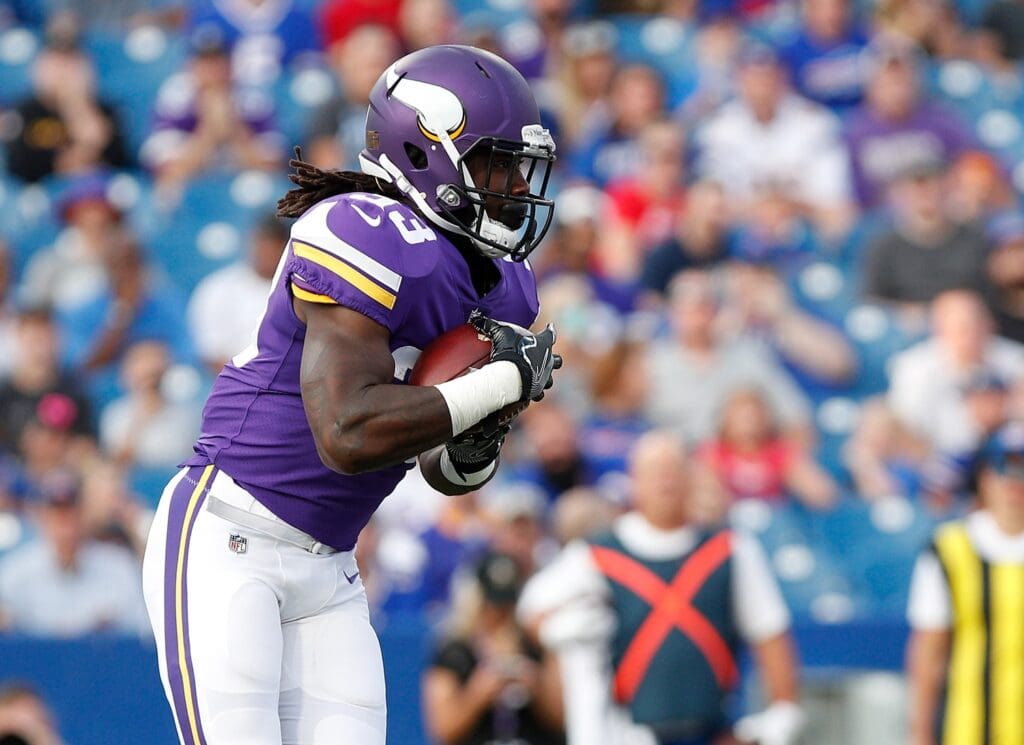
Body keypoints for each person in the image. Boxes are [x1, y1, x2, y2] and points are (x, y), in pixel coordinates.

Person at [140, 45, 561, 745]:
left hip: (330, 564)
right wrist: (501, 381)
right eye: (496, 161)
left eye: (520, 164)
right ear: (428, 153)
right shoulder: (360, 227)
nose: (516, 185)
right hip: (228, 532)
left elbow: (447, 470)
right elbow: (346, 431)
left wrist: (483, 425)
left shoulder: (501, 282)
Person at [518, 431, 804, 745]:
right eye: (655, 473)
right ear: (635, 481)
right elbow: (532, 607)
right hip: (632, 732)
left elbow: (770, 631)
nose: (665, 483)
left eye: (673, 471)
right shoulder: (598, 555)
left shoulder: (728, 549)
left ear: (690, 478)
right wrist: (558, 630)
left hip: (713, 728)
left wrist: (780, 711)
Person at [906, 423, 1024, 745]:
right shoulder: (951, 549)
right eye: (1006, 469)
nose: (1015, 483)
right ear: (985, 479)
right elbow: (929, 650)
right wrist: (920, 732)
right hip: (968, 730)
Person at [423, 551, 566, 745]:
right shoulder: (454, 653)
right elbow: (442, 730)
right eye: (492, 606)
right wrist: (478, 693)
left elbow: (564, 720)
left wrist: (536, 686)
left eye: (506, 605)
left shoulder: (535, 645)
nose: (499, 614)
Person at [0, 472, 149, 637]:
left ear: (84, 515)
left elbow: (142, 631)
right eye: (57, 515)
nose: (65, 527)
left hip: (101, 662)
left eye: (72, 514)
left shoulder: (119, 566)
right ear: (41, 517)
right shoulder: (14, 572)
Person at [186, 214, 288, 373]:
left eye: (276, 244)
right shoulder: (218, 288)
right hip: (232, 383)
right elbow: (210, 355)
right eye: (264, 242)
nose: (269, 251)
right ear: (253, 242)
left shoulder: (297, 291)